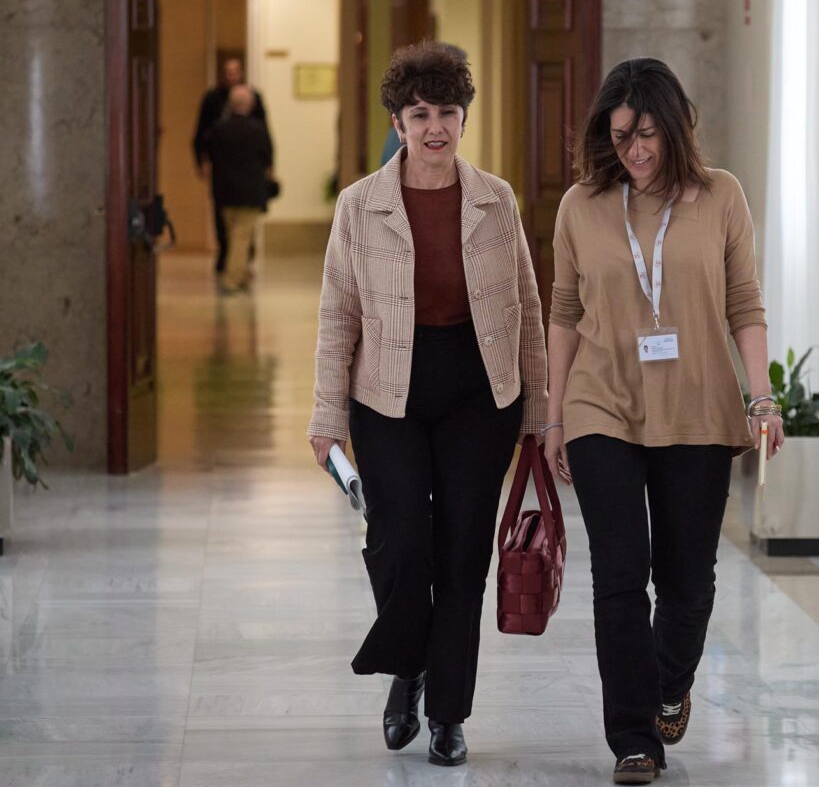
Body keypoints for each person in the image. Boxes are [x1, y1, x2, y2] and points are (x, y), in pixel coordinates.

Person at [543, 58, 785, 785]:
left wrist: (762, 396)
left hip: (698, 407)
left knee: (687, 582)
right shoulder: (582, 205)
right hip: (601, 405)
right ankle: (634, 738)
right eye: (621, 136)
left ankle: (670, 682)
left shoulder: (721, 195)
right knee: (619, 575)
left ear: (676, 127)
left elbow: (744, 303)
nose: (635, 150)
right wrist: (554, 418)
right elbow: (564, 311)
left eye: (647, 134)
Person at [307, 41, 547, 768]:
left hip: (479, 392)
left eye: (447, 112)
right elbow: (337, 314)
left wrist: (539, 409)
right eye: (419, 114)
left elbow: (527, 307)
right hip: (388, 393)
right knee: (400, 541)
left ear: (464, 117)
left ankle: (447, 712)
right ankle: (407, 662)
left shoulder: (497, 200)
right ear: (398, 122)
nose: (435, 127)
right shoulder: (359, 205)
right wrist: (326, 417)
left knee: (463, 553)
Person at [193, 58, 269, 275]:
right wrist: (201, 161)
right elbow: (200, 135)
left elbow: (266, 139)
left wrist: (268, 166)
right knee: (226, 223)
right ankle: (230, 263)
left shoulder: (255, 111)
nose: (231, 75)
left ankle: (238, 265)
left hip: (247, 172)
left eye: (235, 71)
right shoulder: (212, 102)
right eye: (228, 71)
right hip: (224, 171)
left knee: (242, 227)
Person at [205, 85, 273, 294]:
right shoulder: (258, 129)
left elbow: (210, 155)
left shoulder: (219, 129)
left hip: (225, 191)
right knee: (242, 237)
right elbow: (267, 157)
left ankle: (240, 275)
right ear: (250, 104)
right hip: (250, 192)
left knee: (231, 234)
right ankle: (232, 280)